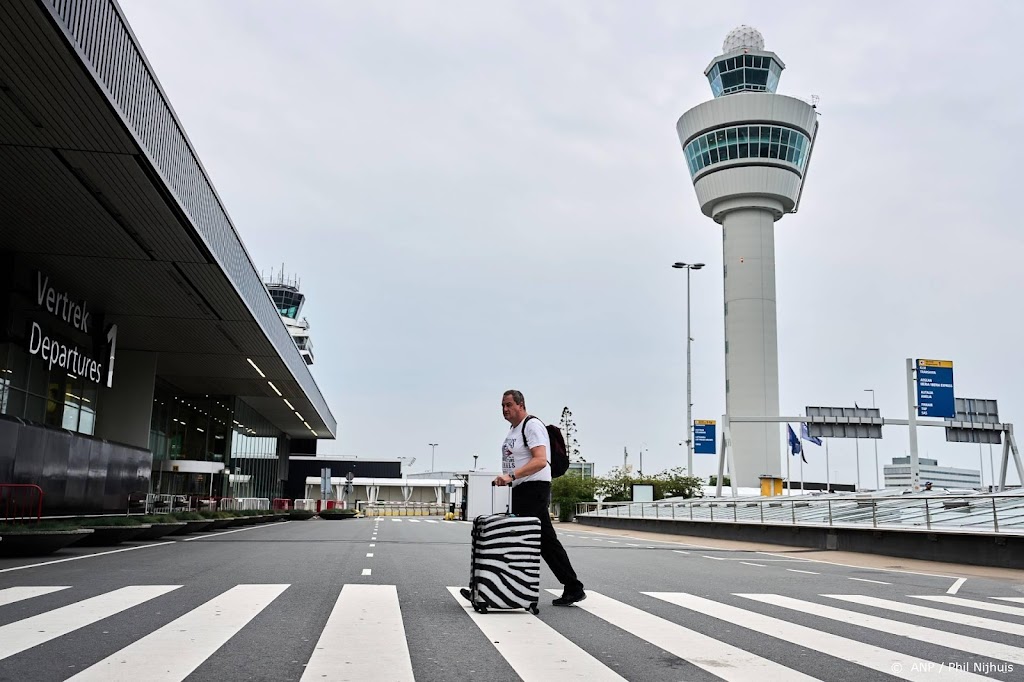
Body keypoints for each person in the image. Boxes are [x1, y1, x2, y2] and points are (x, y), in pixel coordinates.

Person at [463, 389, 586, 607]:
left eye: (509, 405)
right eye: (502, 405)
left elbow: (540, 461)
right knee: (544, 541)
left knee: (519, 537)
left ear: (521, 404)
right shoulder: (514, 429)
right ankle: (571, 587)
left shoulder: (532, 426)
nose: (505, 409)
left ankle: (497, 589)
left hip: (534, 488)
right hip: (522, 489)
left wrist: (510, 476)